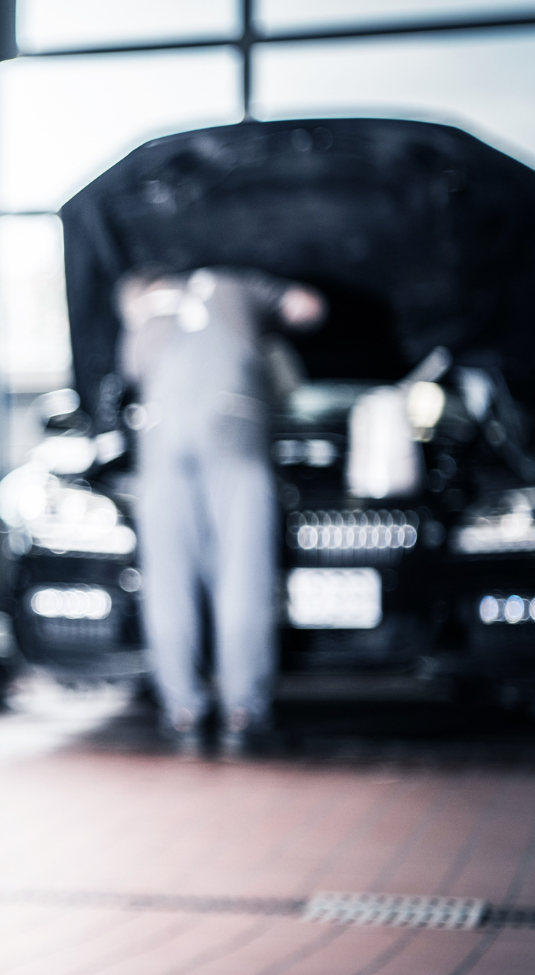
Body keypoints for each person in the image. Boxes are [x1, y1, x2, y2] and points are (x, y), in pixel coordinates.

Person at [117, 267, 326, 753]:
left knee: (167, 577)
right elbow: (307, 307)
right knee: (243, 570)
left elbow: (131, 375)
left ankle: (182, 706)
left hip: (160, 434)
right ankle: (243, 706)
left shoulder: (143, 312)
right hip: (231, 420)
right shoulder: (234, 284)